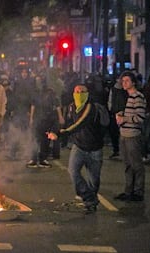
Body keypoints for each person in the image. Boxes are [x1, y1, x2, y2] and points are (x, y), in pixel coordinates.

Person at [47, 84, 105, 214]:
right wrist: (55, 131)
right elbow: (67, 124)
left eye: (82, 92)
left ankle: (90, 203)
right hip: (78, 146)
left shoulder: (91, 107)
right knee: (73, 171)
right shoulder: (71, 107)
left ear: (87, 93)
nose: (79, 94)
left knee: (94, 180)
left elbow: (78, 125)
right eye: (76, 91)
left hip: (95, 149)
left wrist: (61, 134)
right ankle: (89, 197)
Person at [114, 71, 147, 202]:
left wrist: (124, 119)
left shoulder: (137, 97)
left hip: (133, 135)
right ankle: (128, 191)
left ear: (133, 82)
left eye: (127, 81)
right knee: (127, 164)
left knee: (136, 164)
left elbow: (140, 117)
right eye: (123, 81)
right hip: (123, 134)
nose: (124, 83)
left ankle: (138, 192)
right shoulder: (126, 97)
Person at [27, 85, 63, 168]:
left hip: (47, 121)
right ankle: (34, 159)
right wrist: (31, 118)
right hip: (39, 120)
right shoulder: (38, 96)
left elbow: (57, 107)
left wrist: (60, 117)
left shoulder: (52, 96)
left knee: (44, 140)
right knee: (35, 140)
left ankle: (41, 159)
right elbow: (33, 106)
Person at [107, 78, 128, 158]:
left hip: (120, 114)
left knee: (119, 133)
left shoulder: (122, 90)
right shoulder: (116, 89)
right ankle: (118, 150)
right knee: (115, 133)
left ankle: (119, 150)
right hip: (116, 114)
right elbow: (110, 101)